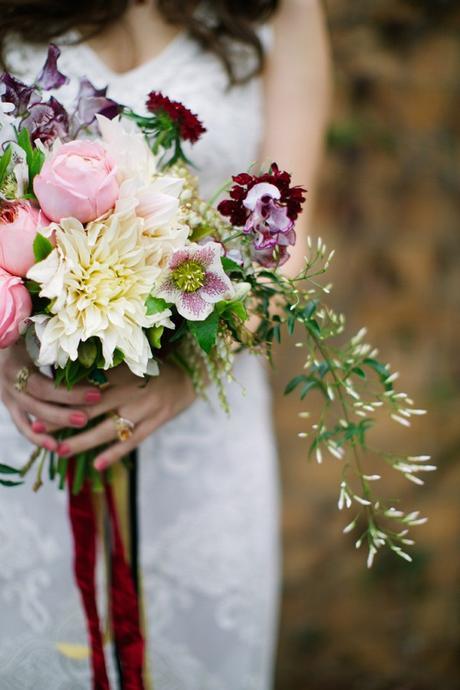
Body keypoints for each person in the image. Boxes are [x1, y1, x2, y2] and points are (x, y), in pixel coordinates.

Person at [0, 1, 331, 687]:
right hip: (31, 417)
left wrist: (194, 369)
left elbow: (287, 244)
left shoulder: (282, 8)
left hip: (202, 427)